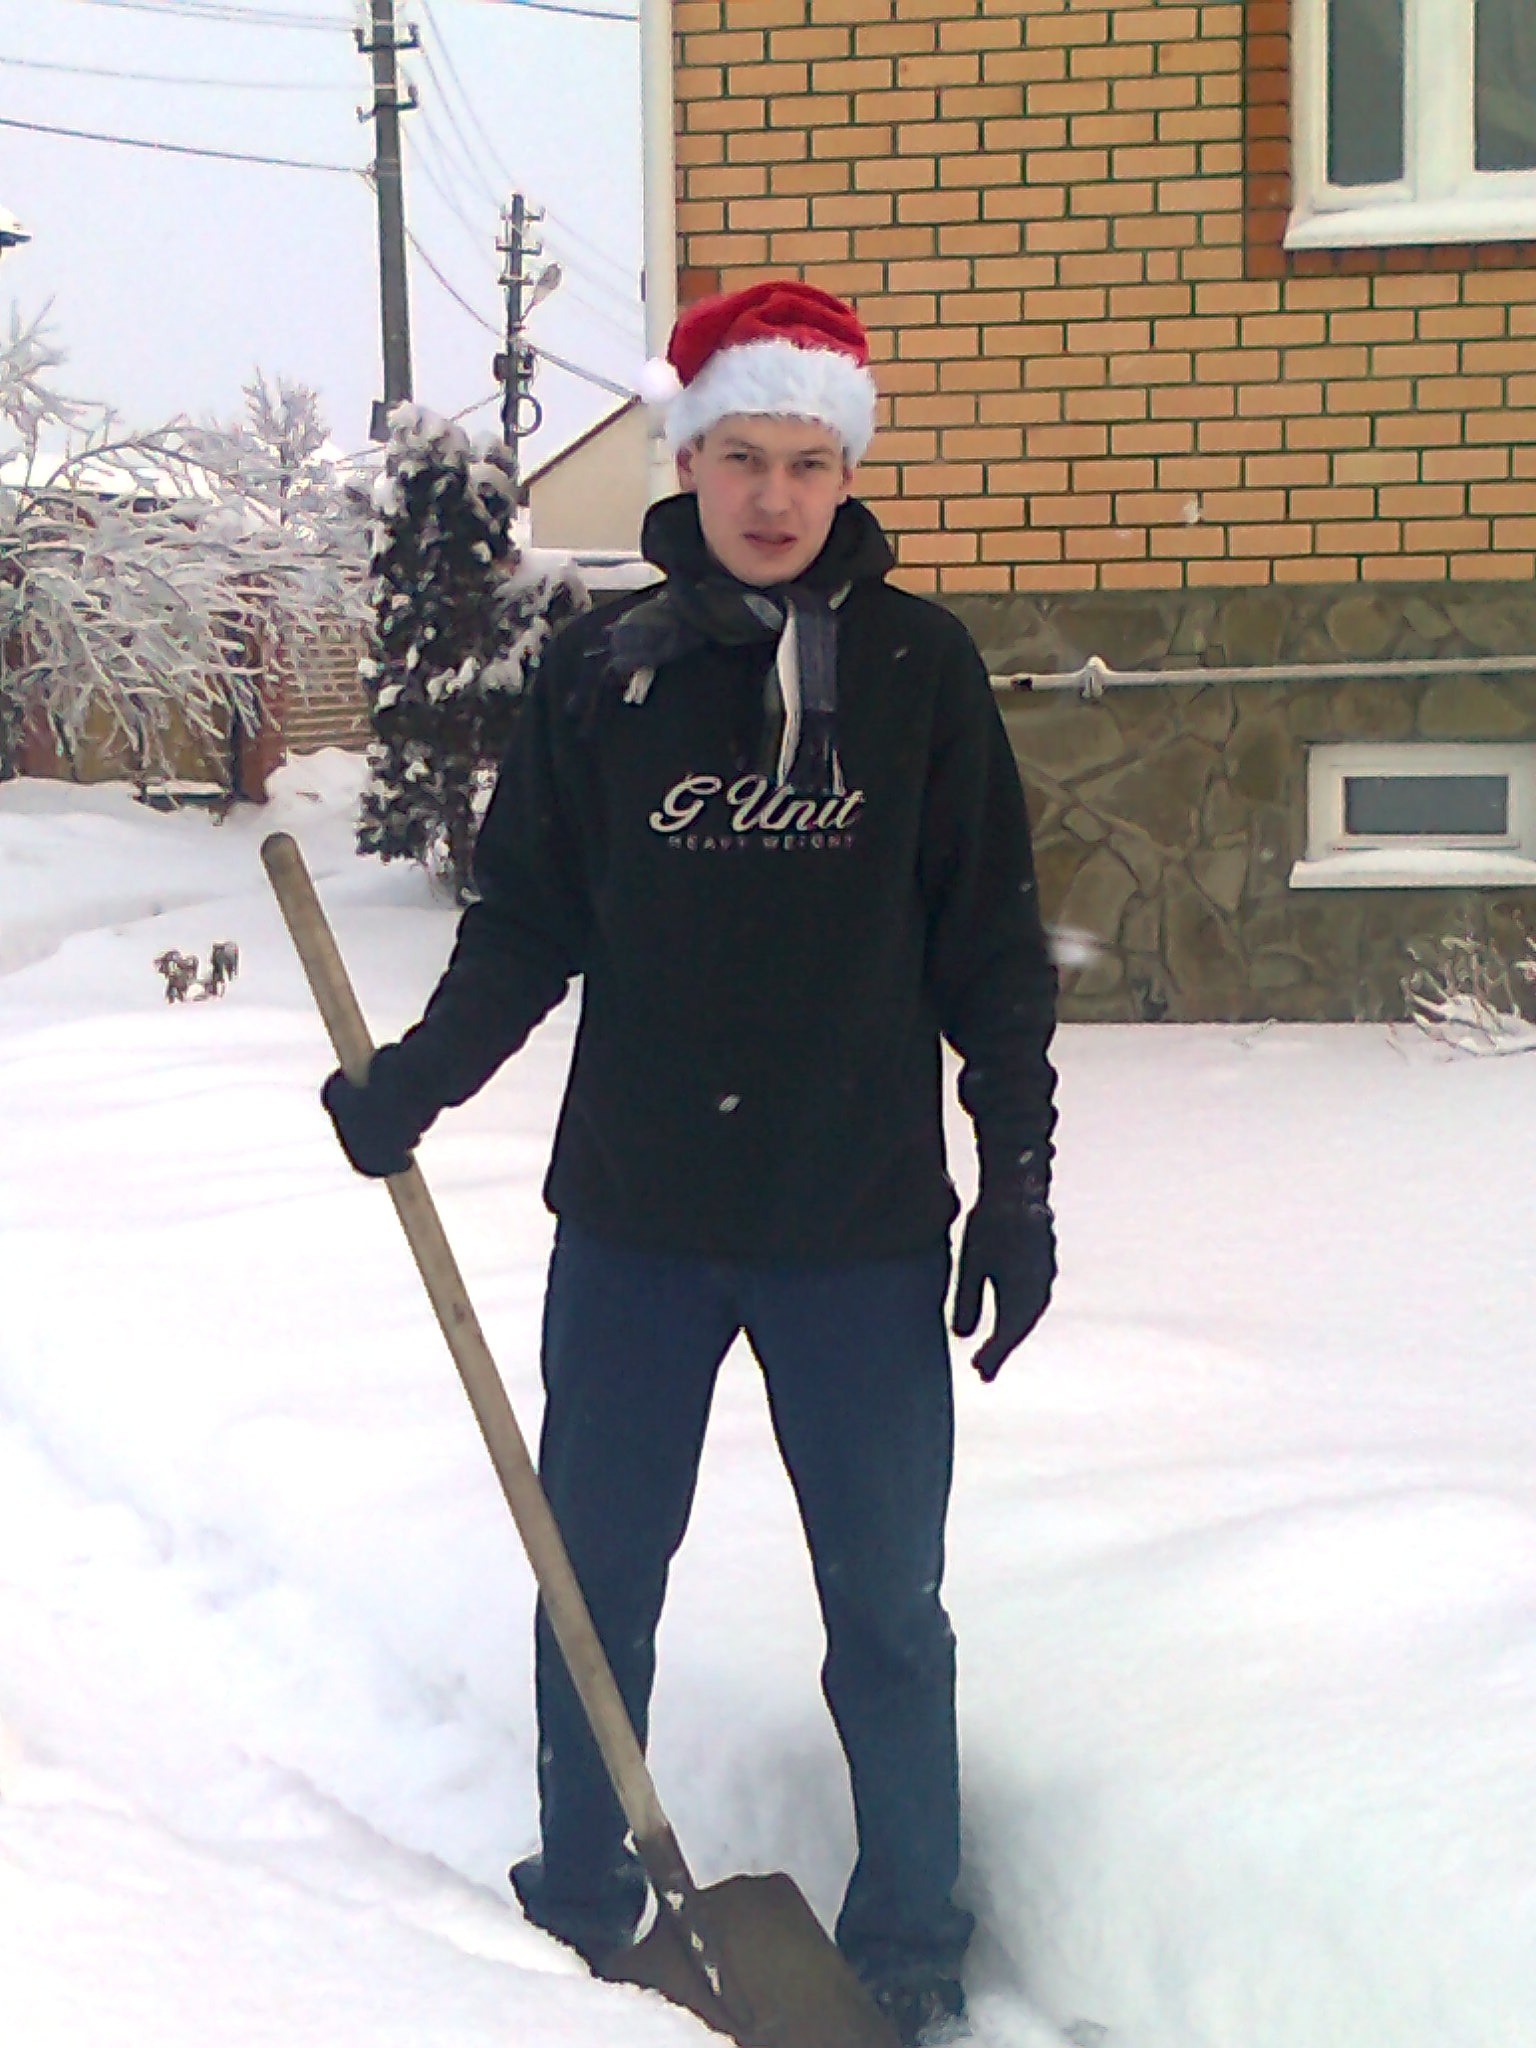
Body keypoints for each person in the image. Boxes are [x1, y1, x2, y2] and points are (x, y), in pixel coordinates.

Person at [322, 278, 1058, 2048]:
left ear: (846, 472)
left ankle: (909, 1938)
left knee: (888, 1609)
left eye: (809, 461)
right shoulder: (605, 673)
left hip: (859, 1228)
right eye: (743, 457)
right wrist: (419, 1079)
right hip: (638, 1224)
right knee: (597, 1588)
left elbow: (991, 950)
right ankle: (582, 1901)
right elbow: (529, 922)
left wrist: (1019, 1179)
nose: (776, 495)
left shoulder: (919, 673)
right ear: (688, 463)